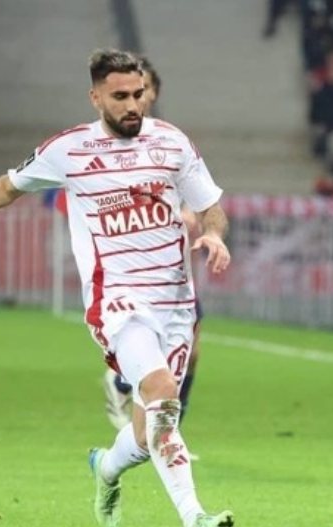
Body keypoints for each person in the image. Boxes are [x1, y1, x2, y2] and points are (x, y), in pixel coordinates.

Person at [0, 49, 234, 527]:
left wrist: (214, 235)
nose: (133, 105)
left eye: (138, 94)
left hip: (175, 304)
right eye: (120, 96)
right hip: (118, 303)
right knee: (164, 395)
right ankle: (196, 521)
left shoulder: (172, 142)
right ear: (95, 96)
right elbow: (4, 188)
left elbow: (210, 206)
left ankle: (105, 467)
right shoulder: (69, 150)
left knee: (147, 432)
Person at [101, 57, 203, 434]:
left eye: (144, 90)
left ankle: (168, 429)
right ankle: (124, 385)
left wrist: (192, 218)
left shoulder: (171, 142)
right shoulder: (110, 144)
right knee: (148, 352)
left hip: (173, 273)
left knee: (191, 352)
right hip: (133, 270)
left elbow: (193, 195)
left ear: (154, 94)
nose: (138, 99)